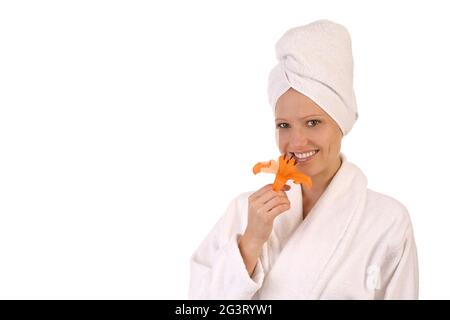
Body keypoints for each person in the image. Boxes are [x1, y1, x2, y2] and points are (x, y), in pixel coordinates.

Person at [188, 19, 419, 299]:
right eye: (284, 125)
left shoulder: (387, 220)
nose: (296, 142)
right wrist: (250, 242)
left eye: (312, 123)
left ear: (341, 123)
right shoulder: (244, 212)